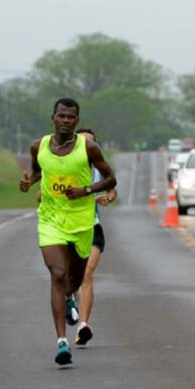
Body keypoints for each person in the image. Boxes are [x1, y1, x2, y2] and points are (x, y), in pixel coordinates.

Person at [19, 98, 116, 366]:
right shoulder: (38, 145)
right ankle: (62, 341)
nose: (65, 120)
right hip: (50, 219)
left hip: (82, 222)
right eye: (61, 116)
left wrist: (85, 191)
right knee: (57, 274)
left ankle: (70, 298)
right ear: (53, 118)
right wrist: (29, 182)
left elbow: (111, 179)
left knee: (73, 280)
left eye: (70, 117)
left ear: (76, 120)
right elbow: (39, 171)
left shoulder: (89, 148)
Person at [73, 128, 118, 346]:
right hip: (67, 229)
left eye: (91, 142)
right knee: (68, 278)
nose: (87, 145)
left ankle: (83, 325)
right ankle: (68, 299)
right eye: (82, 141)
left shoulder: (99, 170)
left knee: (87, 273)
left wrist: (108, 197)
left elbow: (112, 189)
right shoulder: (66, 168)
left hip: (93, 226)